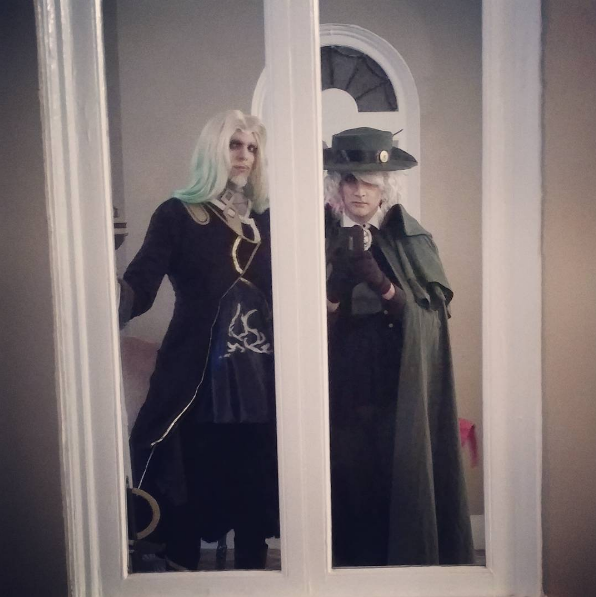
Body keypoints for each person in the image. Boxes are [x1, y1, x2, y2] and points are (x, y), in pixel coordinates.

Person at [119, 110, 279, 571]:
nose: (244, 156)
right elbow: (141, 286)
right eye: (234, 145)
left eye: (252, 148)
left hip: (263, 383)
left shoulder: (269, 221)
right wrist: (107, 296)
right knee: (188, 494)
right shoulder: (177, 215)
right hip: (197, 380)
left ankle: (254, 584)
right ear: (213, 150)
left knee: (254, 494)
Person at [323, 127, 474, 567]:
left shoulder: (409, 239)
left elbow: (427, 318)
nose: (359, 192)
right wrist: (336, 284)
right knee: (347, 475)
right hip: (341, 378)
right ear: (338, 185)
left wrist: (381, 282)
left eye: (370, 182)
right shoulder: (318, 237)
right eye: (351, 180)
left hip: (397, 378)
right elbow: (304, 324)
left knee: (397, 471)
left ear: (385, 187)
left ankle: (402, 571)